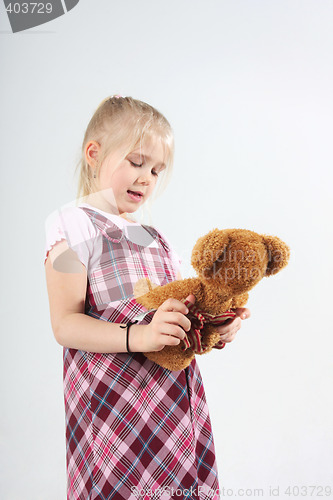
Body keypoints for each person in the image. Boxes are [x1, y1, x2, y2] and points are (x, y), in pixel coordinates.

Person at [44, 95, 250, 500]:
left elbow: (170, 316)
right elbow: (65, 323)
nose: (147, 178)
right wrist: (138, 337)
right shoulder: (72, 223)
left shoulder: (156, 238)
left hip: (171, 400)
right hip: (113, 403)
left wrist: (212, 326)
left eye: (157, 170)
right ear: (94, 153)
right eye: (137, 163)